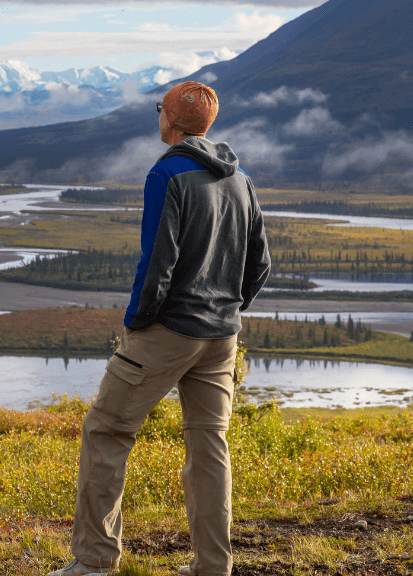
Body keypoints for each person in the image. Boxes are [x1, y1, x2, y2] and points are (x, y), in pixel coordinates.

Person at [47, 81, 271, 576]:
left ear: (170, 120)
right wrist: (230, 311)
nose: (158, 117)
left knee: (106, 430)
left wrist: (136, 323)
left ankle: (94, 561)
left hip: (168, 331)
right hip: (221, 336)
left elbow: (157, 264)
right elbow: (260, 264)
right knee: (209, 445)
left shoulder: (165, 174)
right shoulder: (242, 180)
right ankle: (213, 567)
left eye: (158, 110)